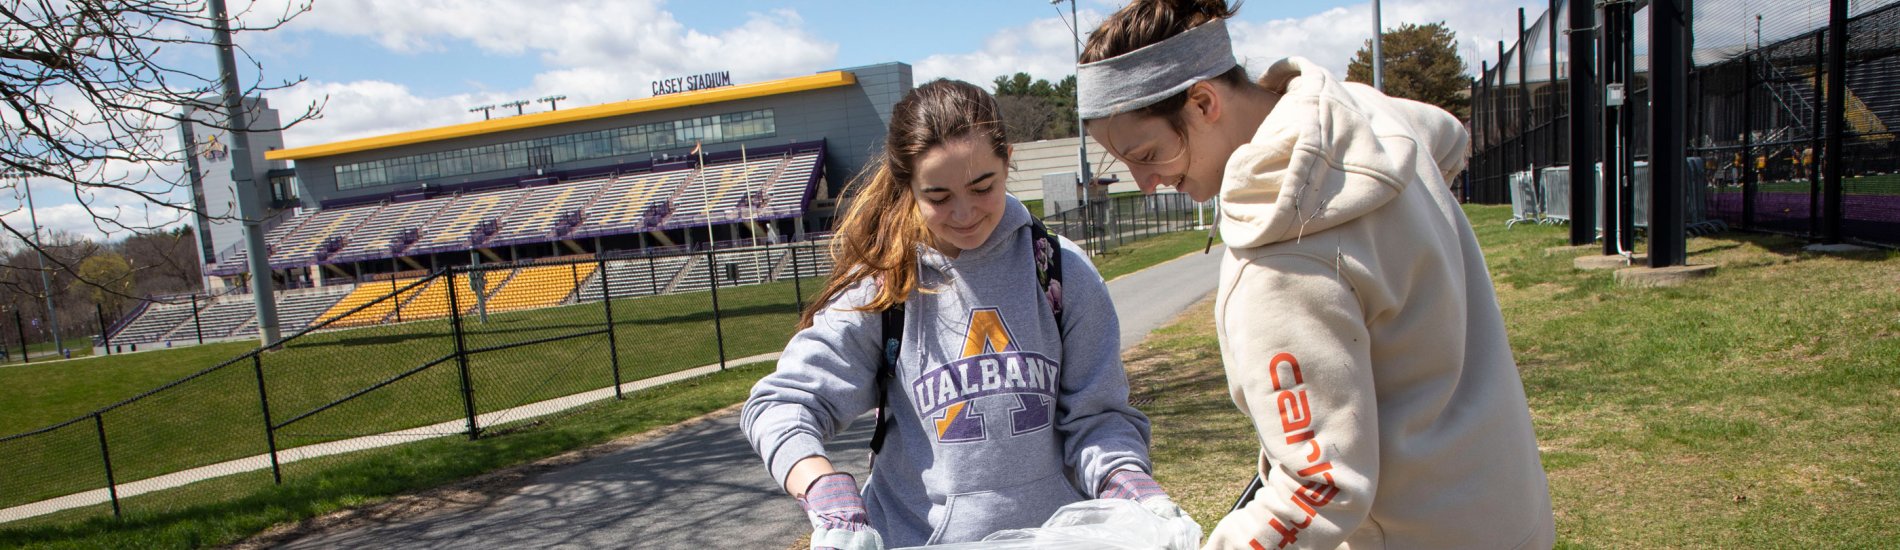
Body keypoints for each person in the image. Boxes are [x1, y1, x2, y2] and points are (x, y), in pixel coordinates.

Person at [1076, 1, 1556, 548]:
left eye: (1147, 153)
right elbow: (1446, 133)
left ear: (1204, 101)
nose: (1144, 182)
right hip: (1509, 506)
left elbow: (1321, 485)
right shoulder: (1364, 117)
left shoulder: (1282, 258)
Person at [742, 79, 1192, 549]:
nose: (964, 212)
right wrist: (823, 489)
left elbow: (1098, 417)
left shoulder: (1060, 270)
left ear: (1007, 161)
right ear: (908, 187)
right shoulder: (882, 285)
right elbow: (781, 405)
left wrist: (1129, 483)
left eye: (982, 186)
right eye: (938, 196)